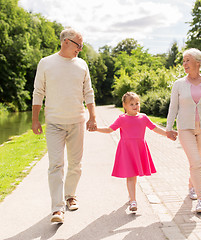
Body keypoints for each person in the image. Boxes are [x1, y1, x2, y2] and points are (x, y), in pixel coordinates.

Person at [32, 28, 97, 223]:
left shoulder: (82, 64)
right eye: (79, 45)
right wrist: (35, 119)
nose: (81, 49)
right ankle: (57, 208)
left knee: (76, 165)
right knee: (56, 165)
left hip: (77, 121)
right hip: (54, 123)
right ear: (66, 42)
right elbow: (38, 92)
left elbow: (89, 92)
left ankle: (70, 196)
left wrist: (92, 116)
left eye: (82, 45)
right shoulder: (46, 63)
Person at [95, 92, 177, 212]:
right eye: (131, 104)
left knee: (135, 175)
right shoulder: (122, 119)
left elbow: (155, 128)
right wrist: (96, 128)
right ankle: (133, 201)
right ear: (125, 105)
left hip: (139, 149)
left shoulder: (143, 117)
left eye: (137, 103)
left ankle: (131, 197)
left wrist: (167, 134)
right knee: (131, 175)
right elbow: (109, 129)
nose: (135, 106)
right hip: (127, 150)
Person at [166, 48, 201, 213]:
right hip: (185, 128)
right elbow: (173, 107)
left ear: (198, 62)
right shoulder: (179, 84)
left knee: (197, 163)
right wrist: (169, 127)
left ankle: (192, 187)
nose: (184, 63)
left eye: (187, 60)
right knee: (195, 162)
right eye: (183, 61)